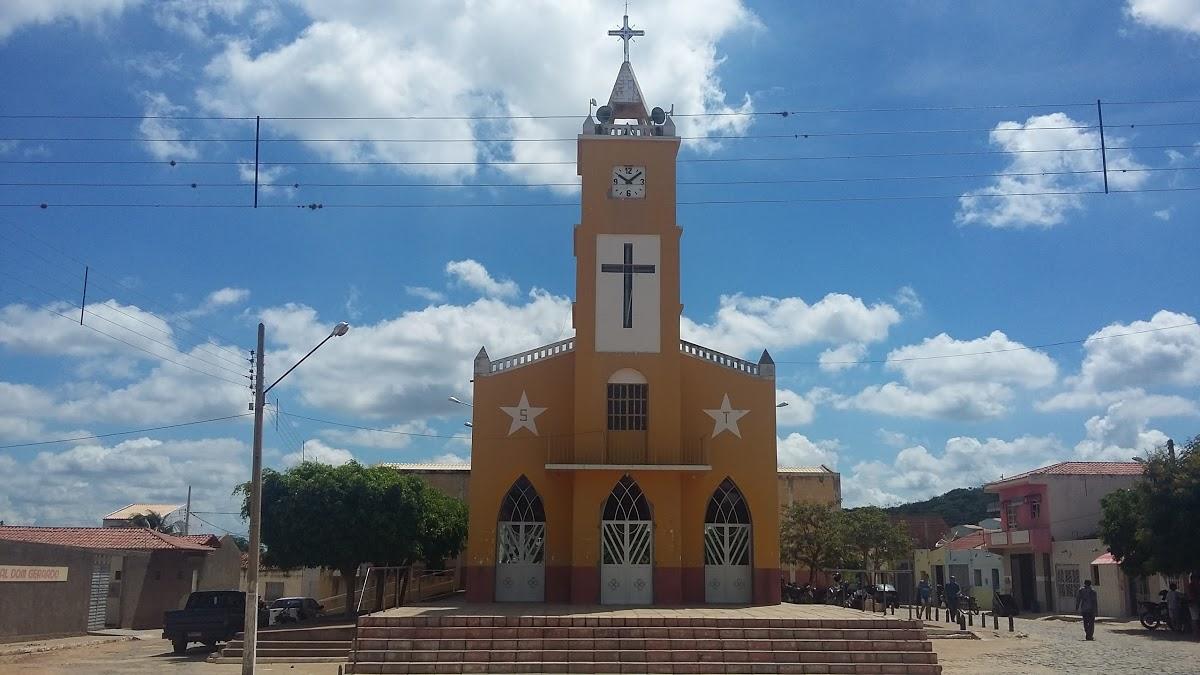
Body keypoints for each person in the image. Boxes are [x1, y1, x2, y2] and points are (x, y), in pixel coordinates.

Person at [1188, 572, 1200, 640]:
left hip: (1196, 603)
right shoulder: (1191, 586)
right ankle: (1195, 633)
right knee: (1195, 619)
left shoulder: (1196, 585)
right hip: (1193, 604)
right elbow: (1192, 596)